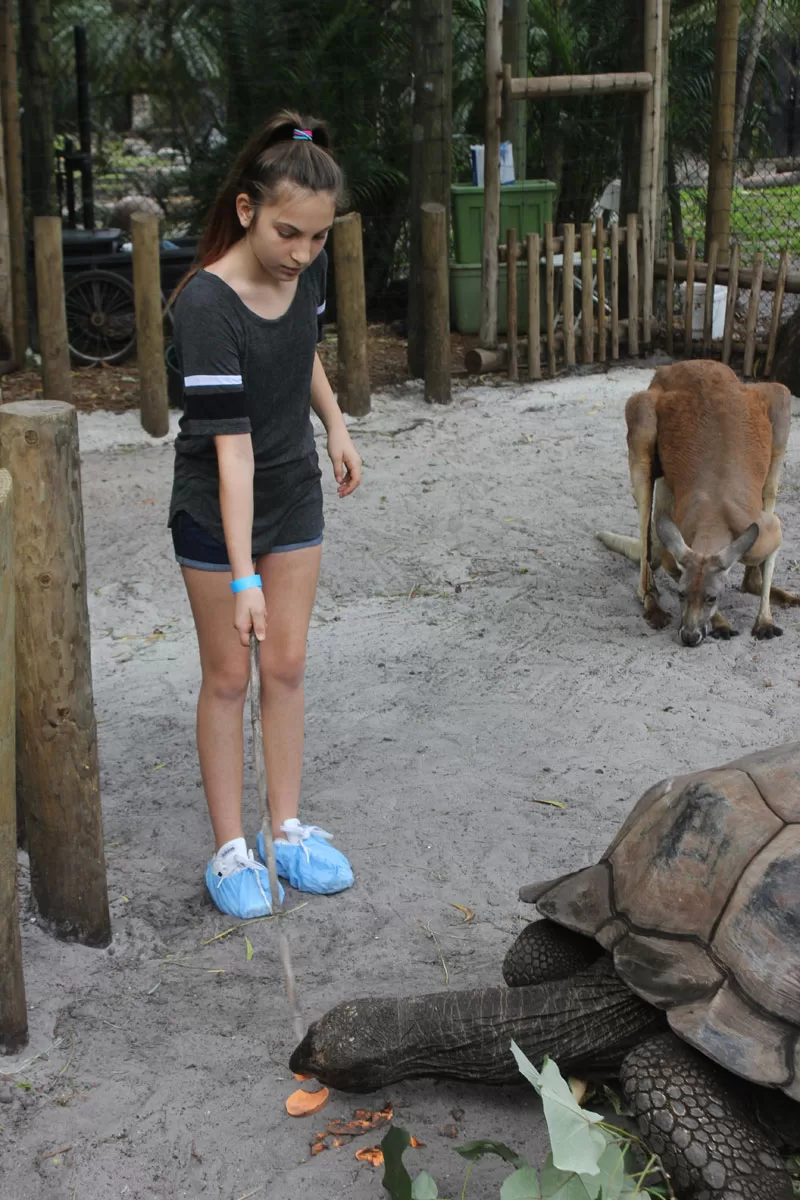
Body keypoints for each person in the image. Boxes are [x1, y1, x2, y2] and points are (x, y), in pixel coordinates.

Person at [168, 111, 362, 920]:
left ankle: (286, 829)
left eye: (317, 239)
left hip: (295, 494)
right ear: (247, 210)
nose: (303, 255)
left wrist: (337, 422)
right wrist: (243, 574)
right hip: (219, 515)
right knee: (228, 676)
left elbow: (304, 354)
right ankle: (230, 848)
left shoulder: (303, 269)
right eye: (289, 234)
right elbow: (231, 453)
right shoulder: (206, 306)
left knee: (284, 669)